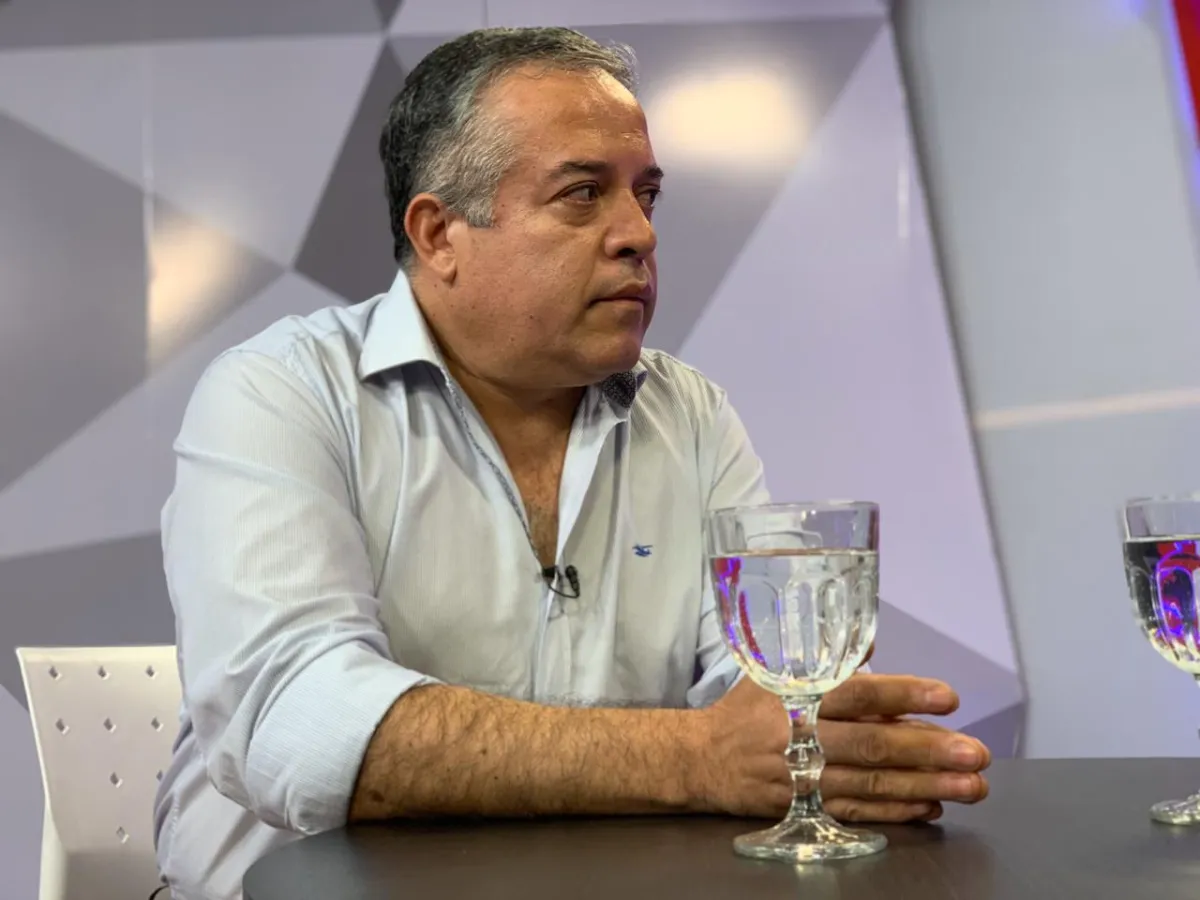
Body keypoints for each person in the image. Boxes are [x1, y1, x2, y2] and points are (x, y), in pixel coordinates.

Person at [153, 26, 990, 900]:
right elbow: (297, 723)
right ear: (439, 234)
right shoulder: (278, 393)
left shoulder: (691, 415)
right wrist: (697, 758)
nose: (639, 234)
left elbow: (757, 699)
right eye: (583, 194)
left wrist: (811, 737)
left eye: (646, 196)